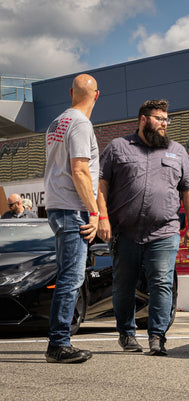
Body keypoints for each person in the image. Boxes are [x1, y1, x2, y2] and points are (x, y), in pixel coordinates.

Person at [97, 99, 189, 356]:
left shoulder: (177, 151)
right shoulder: (118, 147)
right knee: (124, 284)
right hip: (125, 232)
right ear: (143, 120)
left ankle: (157, 336)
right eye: (159, 119)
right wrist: (102, 217)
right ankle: (127, 334)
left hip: (163, 232)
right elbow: (101, 185)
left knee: (162, 282)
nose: (164, 124)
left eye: (166, 119)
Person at [43, 73, 100, 363]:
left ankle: (59, 339)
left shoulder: (57, 122)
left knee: (67, 274)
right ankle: (59, 343)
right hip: (72, 208)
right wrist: (94, 211)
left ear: (70, 93)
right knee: (71, 277)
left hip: (57, 205)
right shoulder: (80, 123)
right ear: (97, 95)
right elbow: (79, 170)